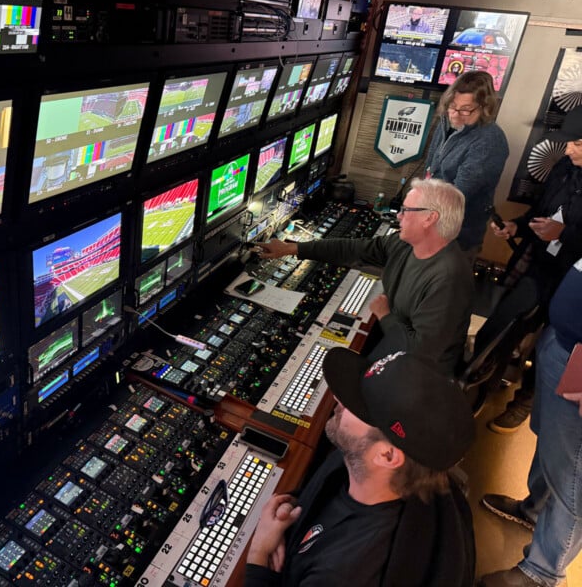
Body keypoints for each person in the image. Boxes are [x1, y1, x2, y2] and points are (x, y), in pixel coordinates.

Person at [245, 348, 476, 586]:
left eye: (358, 405)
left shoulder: (344, 573)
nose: (338, 399)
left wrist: (257, 554)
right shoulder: (374, 462)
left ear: (387, 455)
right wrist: (294, 507)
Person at [256, 178, 473, 376]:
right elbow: (356, 249)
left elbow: (419, 354)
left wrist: (384, 314)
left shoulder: (449, 279)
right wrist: (293, 248)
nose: (399, 216)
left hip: (419, 376)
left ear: (429, 218)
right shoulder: (406, 243)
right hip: (397, 344)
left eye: (406, 210)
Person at [480, 259, 582, 587]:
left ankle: (542, 572)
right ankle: (534, 511)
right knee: (551, 446)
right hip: (564, 344)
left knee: (574, 476)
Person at [486, 105, 582, 432]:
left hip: (571, 283)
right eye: (568, 142)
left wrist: (564, 235)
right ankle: (486, 380)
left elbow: (563, 230)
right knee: (507, 324)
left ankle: (525, 401)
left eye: (578, 144)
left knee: (551, 345)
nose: (567, 150)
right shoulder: (563, 168)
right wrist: (517, 226)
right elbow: (539, 213)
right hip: (538, 265)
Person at [424, 70, 510, 258]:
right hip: (429, 221)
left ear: (484, 108)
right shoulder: (447, 121)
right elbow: (430, 169)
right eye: (452, 106)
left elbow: (457, 195)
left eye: (465, 109)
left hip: (457, 237)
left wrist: (419, 215)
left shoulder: (489, 141)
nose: (455, 115)